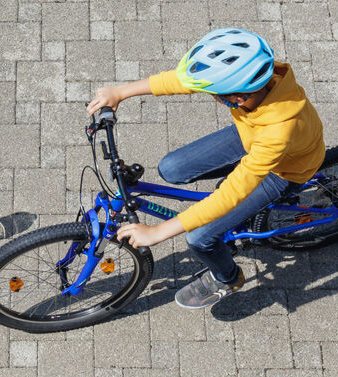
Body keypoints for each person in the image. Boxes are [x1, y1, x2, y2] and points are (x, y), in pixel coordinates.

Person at [86, 28, 324, 309]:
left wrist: (160, 232)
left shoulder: (279, 131)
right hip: (251, 134)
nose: (207, 94)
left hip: (282, 171)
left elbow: (232, 193)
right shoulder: (254, 84)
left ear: (236, 97)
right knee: (171, 168)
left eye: (214, 94)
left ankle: (228, 278)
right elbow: (185, 80)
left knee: (198, 237)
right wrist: (121, 92)